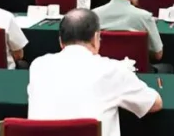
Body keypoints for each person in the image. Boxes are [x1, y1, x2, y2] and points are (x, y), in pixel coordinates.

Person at [28, 9, 162, 136]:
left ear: (60, 41)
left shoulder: (38, 66)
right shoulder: (112, 69)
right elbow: (154, 104)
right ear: (96, 37)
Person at [94, 0, 164, 60]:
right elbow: (158, 54)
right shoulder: (144, 16)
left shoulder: (93, 15)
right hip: (136, 67)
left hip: (104, 67)